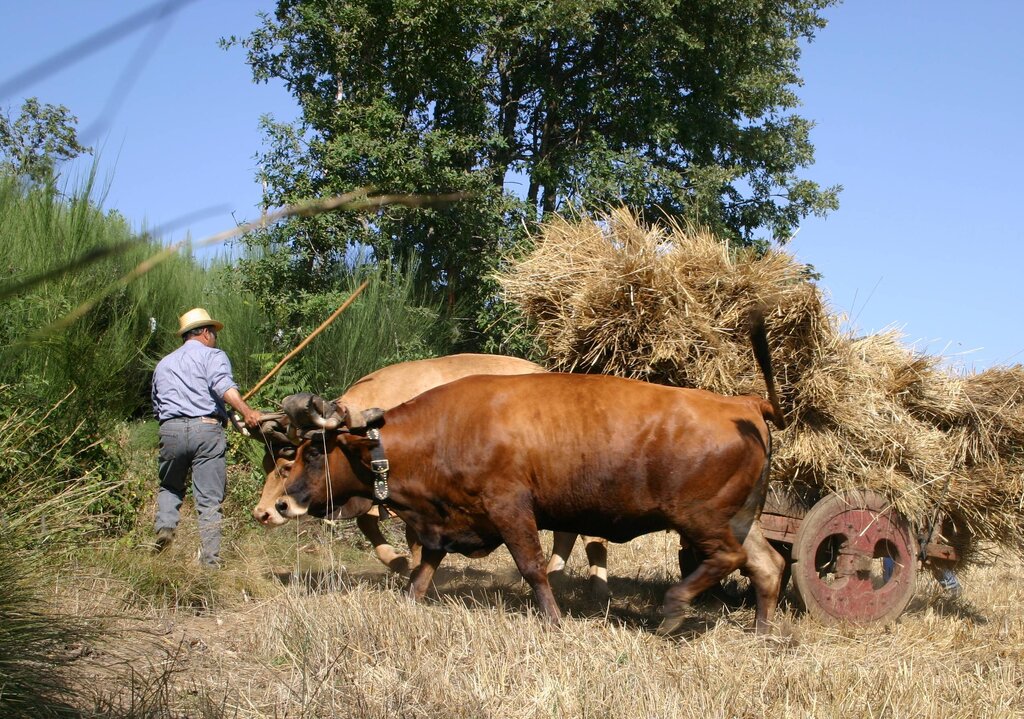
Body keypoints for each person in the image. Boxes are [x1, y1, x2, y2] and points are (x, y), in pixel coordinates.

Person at [151, 308, 262, 567]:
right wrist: (246, 411)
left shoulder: (163, 363)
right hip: (206, 429)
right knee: (209, 500)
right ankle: (210, 563)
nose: (215, 338)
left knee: (169, 486)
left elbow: (157, 406)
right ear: (204, 332)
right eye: (213, 333)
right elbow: (223, 385)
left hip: (171, 429)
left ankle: (166, 528)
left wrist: (224, 413)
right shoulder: (213, 355)